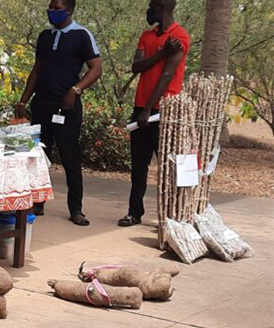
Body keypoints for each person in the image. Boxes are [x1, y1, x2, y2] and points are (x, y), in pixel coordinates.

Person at [15, 0, 102, 226]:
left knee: (69, 156)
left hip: (67, 107)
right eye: (50, 8)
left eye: (57, 8)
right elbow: (37, 69)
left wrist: (75, 90)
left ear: (70, 10)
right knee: (40, 156)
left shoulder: (82, 35)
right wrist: (24, 99)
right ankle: (38, 202)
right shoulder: (45, 36)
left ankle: (76, 209)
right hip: (42, 104)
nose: (52, 11)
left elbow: (96, 68)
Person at [118, 0, 189, 227]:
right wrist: (161, 53)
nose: (147, 10)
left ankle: (171, 216)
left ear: (161, 8)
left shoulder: (180, 36)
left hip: (164, 110)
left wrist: (149, 109)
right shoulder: (146, 36)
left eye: (151, 6)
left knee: (167, 166)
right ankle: (134, 212)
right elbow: (136, 66)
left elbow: (167, 75)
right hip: (142, 108)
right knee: (139, 164)